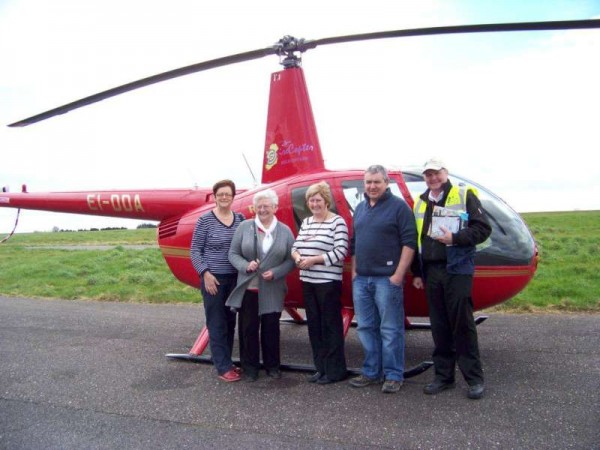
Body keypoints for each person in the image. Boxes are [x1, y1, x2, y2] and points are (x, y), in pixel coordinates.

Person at [411, 157, 492, 400]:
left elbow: (482, 229)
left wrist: (455, 239)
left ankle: (474, 379)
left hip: (457, 268)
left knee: (462, 324)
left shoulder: (464, 194)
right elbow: (419, 240)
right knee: (439, 325)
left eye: (436, 173)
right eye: (428, 174)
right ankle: (444, 377)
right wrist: (417, 271)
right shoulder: (420, 202)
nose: (433, 178)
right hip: (432, 270)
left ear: (445, 173)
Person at [349, 165, 417, 394]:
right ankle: (371, 372)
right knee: (366, 327)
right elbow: (355, 243)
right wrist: (354, 273)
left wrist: (398, 276)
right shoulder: (359, 208)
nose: (372, 186)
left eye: (377, 182)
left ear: (387, 182)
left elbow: (409, 242)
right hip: (362, 280)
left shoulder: (399, 208)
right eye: (368, 182)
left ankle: (393, 374)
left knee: (390, 329)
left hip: (387, 281)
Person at [226, 189, 295, 381]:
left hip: (273, 288)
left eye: (267, 206)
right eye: (259, 206)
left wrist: (277, 272)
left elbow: (292, 259)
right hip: (249, 288)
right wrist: (245, 265)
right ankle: (250, 368)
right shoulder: (244, 227)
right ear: (254, 207)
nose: (262, 209)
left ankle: (273, 367)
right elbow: (233, 254)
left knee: (271, 328)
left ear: (275, 207)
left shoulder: (285, 231)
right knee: (248, 329)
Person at [291, 181, 349, 385]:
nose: (314, 204)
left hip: (328, 283)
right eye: (311, 200)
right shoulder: (306, 223)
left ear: (326, 201)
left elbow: (341, 251)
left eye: (318, 200)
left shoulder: (337, 222)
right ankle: (320, 368)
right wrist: (298, 258)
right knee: (314, 326)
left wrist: (314, 260)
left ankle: (335, 371)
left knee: (330, 326)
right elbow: (295, 246)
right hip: (308, 281)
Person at [190, 179, 245, 382]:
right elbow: (195, 250)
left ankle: (226, 361)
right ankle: (223, 368)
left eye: (228, 194)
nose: (224, 197)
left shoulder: (240, 219)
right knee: (216, 322)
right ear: (215, 197)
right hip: (214, 279)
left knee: (230, 321)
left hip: (234, 279)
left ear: (232, 197)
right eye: (220, 194)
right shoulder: (205, 220)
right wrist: (205, 273)